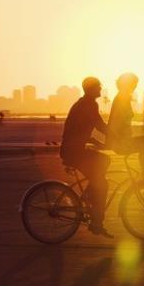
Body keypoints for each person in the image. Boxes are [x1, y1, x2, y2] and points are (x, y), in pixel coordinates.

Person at [60, 77, 113, 238]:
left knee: (103, 164)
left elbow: (80, 130)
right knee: (102, 184)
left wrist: (97, 142)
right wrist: (116, 138)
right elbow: (100, 125)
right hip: (74, 152)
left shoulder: (84, 103)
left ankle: (89, 195)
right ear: (90, 89)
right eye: (98, 87)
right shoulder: (89, 105)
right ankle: (97, 222)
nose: (100, 89)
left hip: (73, 150)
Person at [107, 72, 144, 182]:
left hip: (120, 140)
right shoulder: (122, 98)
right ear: (127, 84)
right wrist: (116, 139)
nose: (135, 86)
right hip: (121, 143)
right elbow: (117, 121)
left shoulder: (122, 97)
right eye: (134, 84)